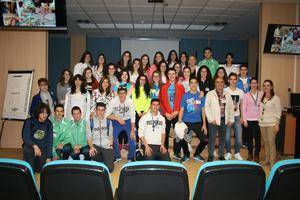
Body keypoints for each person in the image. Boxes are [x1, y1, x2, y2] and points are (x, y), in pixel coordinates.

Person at [205, 77, 234, 162]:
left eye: (221, 82)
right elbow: (206, 107)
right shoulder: (210, 94)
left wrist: (231, 119)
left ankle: (221, 154)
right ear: (215, 83)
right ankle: (210, 155)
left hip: (224, 119)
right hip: (213, 121)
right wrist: (210, 119)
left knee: (222, 138)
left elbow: (231, 108)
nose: (219, 84)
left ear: (224, 83)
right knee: (212, 138)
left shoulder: (227, 94)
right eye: (217, 82)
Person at [178, 77, 207, 163]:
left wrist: (204, 124)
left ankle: (197, 154)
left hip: (198, 122)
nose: (193, 84)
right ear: (189, 84)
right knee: (183, 139)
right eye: (191, 82)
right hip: (187, 122)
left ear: (197, 84)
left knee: (205, 140)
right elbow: (182, 109)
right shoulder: (185, 96)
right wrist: (179, 121)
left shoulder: (200, 95)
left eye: (195, 82)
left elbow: (203, 110)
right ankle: (186, 155)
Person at [159, 68, 185, 159]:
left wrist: (177, 111)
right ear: (167, 75)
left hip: (177, 113)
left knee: (177, 133)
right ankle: (164, 151)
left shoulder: (180, 87)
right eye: (169, 74)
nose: (171, 75)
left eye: (173, 74)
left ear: (176, 75)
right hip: (166, 114)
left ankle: (177, 152)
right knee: (164, 133)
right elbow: (160, 102)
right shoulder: (163, 87)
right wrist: (166, 113)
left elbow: (183, 100)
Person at [106, 86, 136, 162]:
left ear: (126, 93)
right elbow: (106, 115)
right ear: (117, 94)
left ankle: (131, 157)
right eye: (120, 93)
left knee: (132, 137)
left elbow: (133, 116)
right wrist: (117, 118)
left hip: (128, 120)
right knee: (114, 138)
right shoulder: (113, 101)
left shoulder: (130, 101)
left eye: (124, 93)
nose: (122, 95)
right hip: (116, 121)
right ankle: (117, 156)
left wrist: (132, 130)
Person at [22, 103, 53, 172]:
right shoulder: (30, 121)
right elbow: (25, 137)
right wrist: (35, 146)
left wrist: (49, 157)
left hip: (42, 148)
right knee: (29, 170)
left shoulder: (49, 124)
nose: (45, 115)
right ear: (38, 113)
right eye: (42, 113)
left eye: (46, 113)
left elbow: (50, 141)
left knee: (43, 170)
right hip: (31, 146)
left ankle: (35, 162)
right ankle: (30, 164)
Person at [259, 80, 281, 167]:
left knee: (271, 143)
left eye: (268, 85)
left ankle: (272, 162)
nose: (266, 87)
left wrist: (277, 123)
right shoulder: (262, 97)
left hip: (272, 123)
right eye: (264, 85)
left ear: (271, 87)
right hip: (262, 123)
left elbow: (278, 112)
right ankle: (267, 160)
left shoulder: (276, 98)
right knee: (265, 143)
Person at [88, 102, 114, 172]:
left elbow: (111, 135)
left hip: (106, 146)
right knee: (92, 153)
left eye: (102, 110)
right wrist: (91, 147)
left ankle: (106, 158)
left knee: (110, 169)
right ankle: (102, 159)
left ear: (105, 111)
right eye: (99, 110)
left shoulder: (108, 121)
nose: (100, 112)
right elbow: (89, 136)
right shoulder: (90, 122)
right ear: (96, 110)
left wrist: (111, 145)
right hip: (95, 146)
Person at [224, 73, 244, 160]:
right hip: (227, 117)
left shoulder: (240, 92)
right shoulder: (225, 91)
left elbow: (241, 106)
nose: (232, 81)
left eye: (234, 79)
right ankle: (228, 152)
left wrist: (242, 117)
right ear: (228, 80)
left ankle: (237, 153)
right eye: (231, 79)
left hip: (237, 116)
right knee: (227, 137)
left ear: (237, 80)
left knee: (239, 137)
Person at [242, 78, 263, 162]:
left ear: (257, 84)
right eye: (252, 83)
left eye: (255, 83)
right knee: (249, 138)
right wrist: (245, 120)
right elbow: (243, 108)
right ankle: (250, 153)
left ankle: (257, 154)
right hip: (249, 119)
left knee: (258, 138)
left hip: (259, 119)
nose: (254, 85)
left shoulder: (261, 94)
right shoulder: (246, 95)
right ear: (249, 85)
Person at [132, 74, 151, 144]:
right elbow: (134, 102)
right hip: (137, 113)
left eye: (144, 80)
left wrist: (145, 112)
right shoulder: (134, 90)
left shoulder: (149, 90)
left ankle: (145, 143)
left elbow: (149, 102)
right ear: (138, 80)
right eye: (141, 79)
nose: (142, 81)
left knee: (146, 129)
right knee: (137, 129)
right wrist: (139, 112)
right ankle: (137, 144)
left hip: (146, 113)